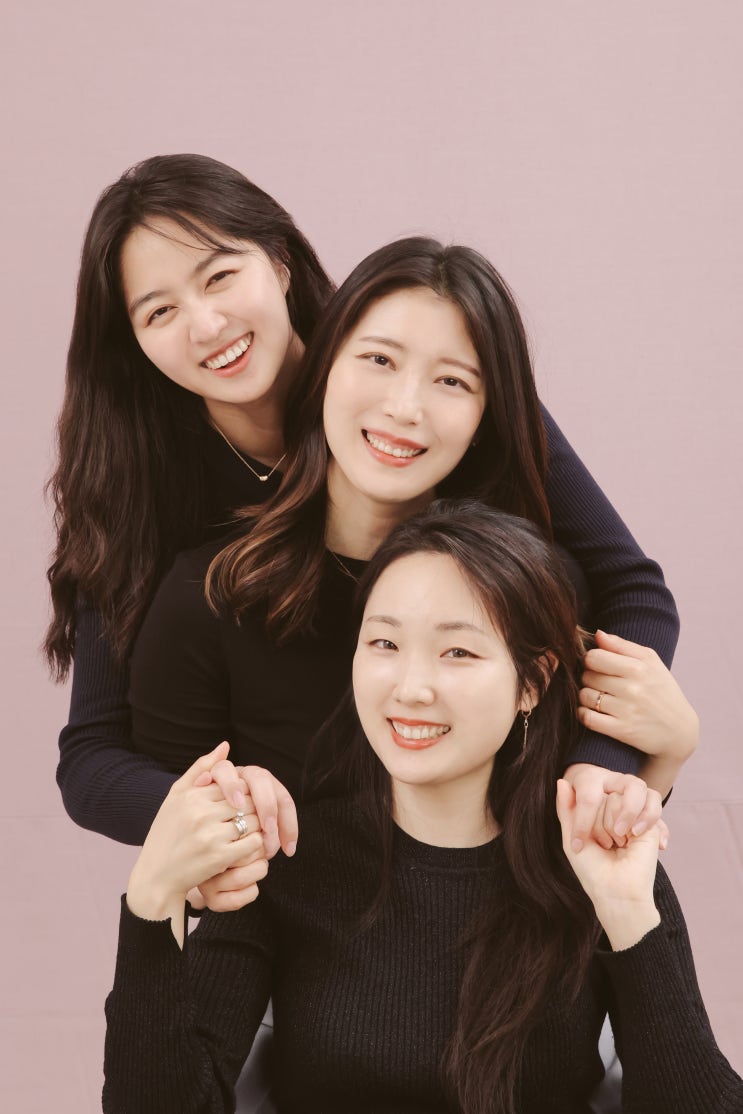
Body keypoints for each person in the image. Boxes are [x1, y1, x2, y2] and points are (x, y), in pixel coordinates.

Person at [46, 162, 680, 856]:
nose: (206, 325)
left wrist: (608, 763)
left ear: (280, 262)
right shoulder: (148, 502)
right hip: (304, 856)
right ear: (132, 340)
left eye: (220, 276)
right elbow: (93, 761)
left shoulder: (416, 370)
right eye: (159, 312)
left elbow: (631, 588)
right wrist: (234, 820)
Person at [102, 502, 738, 1114]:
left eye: (458, 652)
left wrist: (627, 912)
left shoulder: (595, 862)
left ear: (532, 682)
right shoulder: (291, 856)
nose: (410, 688)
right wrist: (154, 894)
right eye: (384, 643)